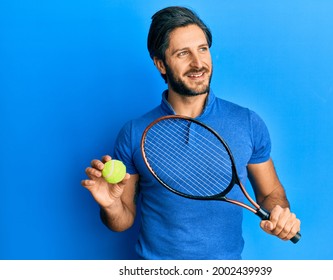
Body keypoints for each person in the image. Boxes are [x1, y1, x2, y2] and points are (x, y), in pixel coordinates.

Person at [81, 6, 300, 260]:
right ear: (161, 64)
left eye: (203, 49)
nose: (198, 63)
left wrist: (280, 214)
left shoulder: (247, 123)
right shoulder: (134, 133)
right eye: (183, 53)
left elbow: (270, 193)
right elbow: (122, 220)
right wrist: (110, 205)